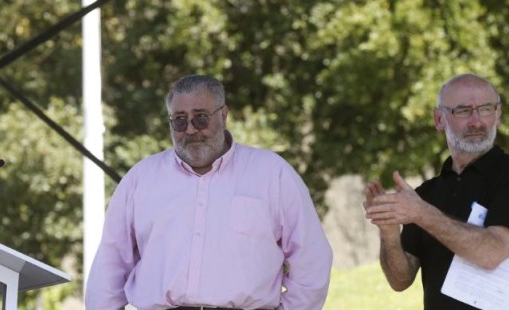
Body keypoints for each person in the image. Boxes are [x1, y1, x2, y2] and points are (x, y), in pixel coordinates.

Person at [85, 74, 333, 310]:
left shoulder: (272, 173)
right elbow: (110, 263)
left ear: (224, 115)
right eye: (179, 120)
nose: (191, 129)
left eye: (200, 118)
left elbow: (312, 257)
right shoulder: (141, 178)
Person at [363, 73, 509, 309]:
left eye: (486, 109)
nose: (476, 121)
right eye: (463, 111)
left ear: (498, 115)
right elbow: (400, 279)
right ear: (439, 119)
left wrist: (422, 213)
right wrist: (388, 231)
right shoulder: (426, 194)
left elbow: (492, 252)